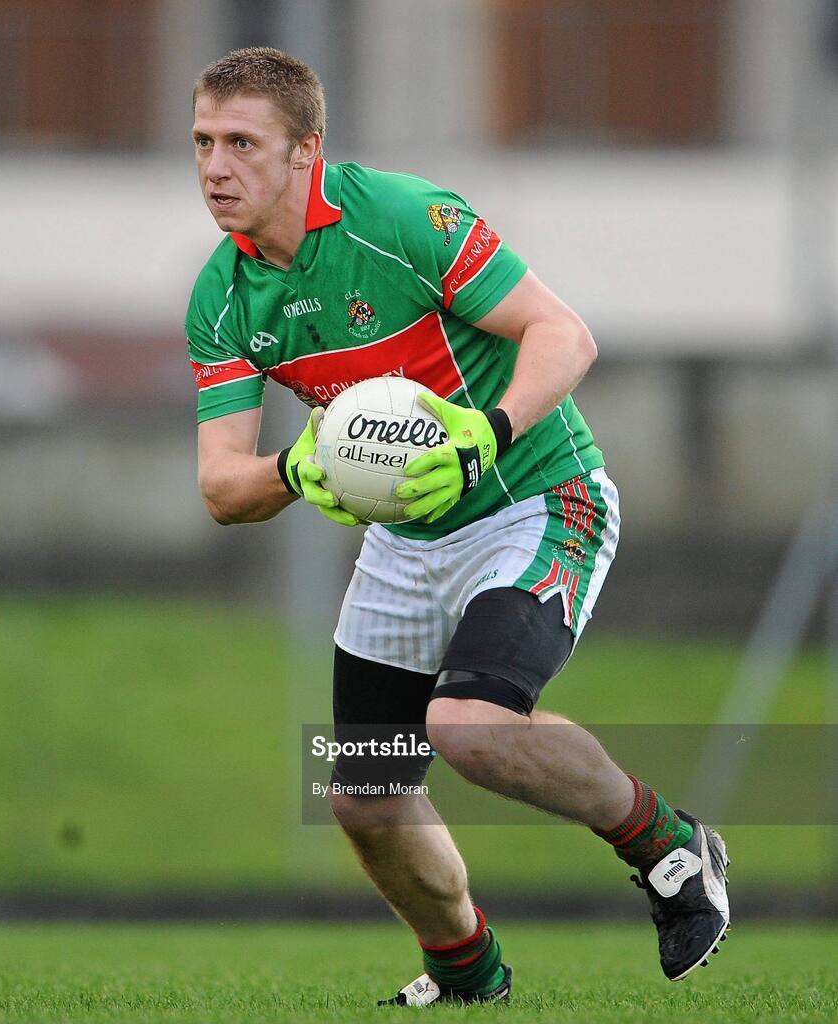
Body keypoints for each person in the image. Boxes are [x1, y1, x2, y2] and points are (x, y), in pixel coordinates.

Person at [186, 46, 730, 1006]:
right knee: (360, 793)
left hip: (534, 496)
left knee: (471, 727)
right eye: (201, 143)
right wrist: (296, 468)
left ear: (306, 151)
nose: (216, 168)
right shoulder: (222, 298)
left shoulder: (401, 218)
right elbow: (222, 487)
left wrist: (487, 432)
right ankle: (466, 973)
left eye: (242, 143)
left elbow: (565, 334)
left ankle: (669, 847)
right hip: (405, 543)